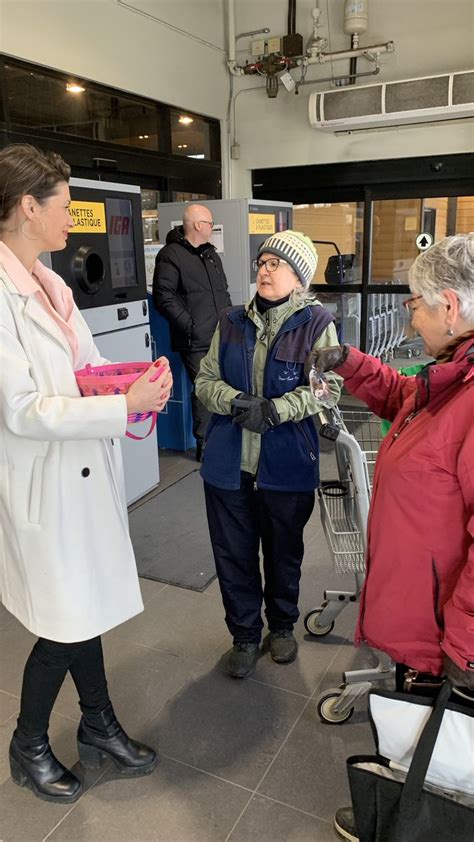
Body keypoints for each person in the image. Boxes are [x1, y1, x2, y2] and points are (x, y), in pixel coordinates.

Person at [0, 143, 173, 804]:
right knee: (63, 622)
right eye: (65, 207)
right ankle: (29, 745)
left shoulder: (52, 283)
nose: (73, 219)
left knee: (84, 609)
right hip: (43, 483)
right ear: (26, 207)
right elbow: (22, 409)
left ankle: (99, 726)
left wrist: (134, 379)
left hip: (81, 475)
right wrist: (118, 405)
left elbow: (87, 368)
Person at [305, 233, 474, 842]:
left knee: (441, 740)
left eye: (414, 302)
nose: (409, 311)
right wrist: (349, 362)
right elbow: (407, 397)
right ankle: (410, 812)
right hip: (425, 609)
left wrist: (466, 643)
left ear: (449, 307)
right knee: (423, 730)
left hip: (445, 627)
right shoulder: (455, 376)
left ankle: (416, 824)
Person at [195, 231, 342, 678]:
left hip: (286, 466)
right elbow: (205, 380)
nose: (265, 269)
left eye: (276, 263)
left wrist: (276, 411)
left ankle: (281, 627)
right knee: (233, 555)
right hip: (228, 464)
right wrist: (238, 404)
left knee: (283, 553)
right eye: (262, 261)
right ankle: (243, 635)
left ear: (299, 276)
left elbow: (327, 387)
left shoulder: (317, 325)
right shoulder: (231, 320)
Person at [152, 204, 232, 459]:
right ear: (198, 225)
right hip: (194, 339)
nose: (212, 228)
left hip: (221, 333)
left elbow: (223, 291)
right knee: (204, 389)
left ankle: (223, 438)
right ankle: (206, 446)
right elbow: (163, 296)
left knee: (223, 385)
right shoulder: (170, 255)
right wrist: (190, 325)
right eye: (210, 223)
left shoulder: (211, 256)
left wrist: (230, 321)